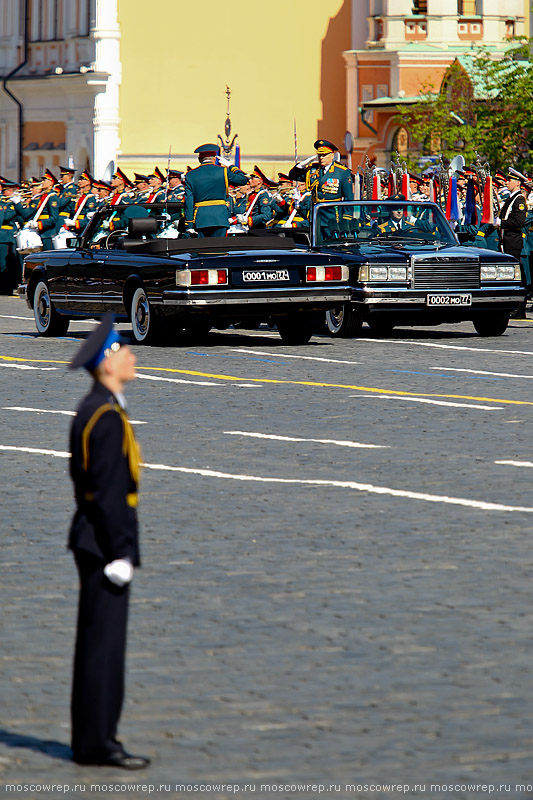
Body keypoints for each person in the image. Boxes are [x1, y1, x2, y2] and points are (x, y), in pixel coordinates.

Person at [68, 313, 149, 770]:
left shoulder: (96, 407)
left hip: (92, 541)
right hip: (103, 546)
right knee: (103, 649)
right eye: (124, 350)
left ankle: (92, 737)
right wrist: (121, 551)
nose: (133, 356)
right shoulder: (105, 417)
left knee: (96, 644)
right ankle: (98, 742)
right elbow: (108, 492)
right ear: (107, 362)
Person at [288, 139, 354, 238]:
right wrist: (300, 166)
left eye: (324, 155)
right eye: (319, 155)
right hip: (316, 215)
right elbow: (293, 176)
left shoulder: (342, 172)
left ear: (332, 155)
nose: (321, 158)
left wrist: (346, 218)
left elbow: (349, 197)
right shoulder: (313, 170)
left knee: (332, 244)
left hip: (332, 215)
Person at [184, 143, 248, 237]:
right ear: (214, 158)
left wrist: (189, 223)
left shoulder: (190, 175)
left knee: (202, 249)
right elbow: (243, 180)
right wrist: (231, 166)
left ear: (199, 159)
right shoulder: (223, 171)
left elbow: (189, 200)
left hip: (200, 218)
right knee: (219, 248)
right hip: (220, 217)